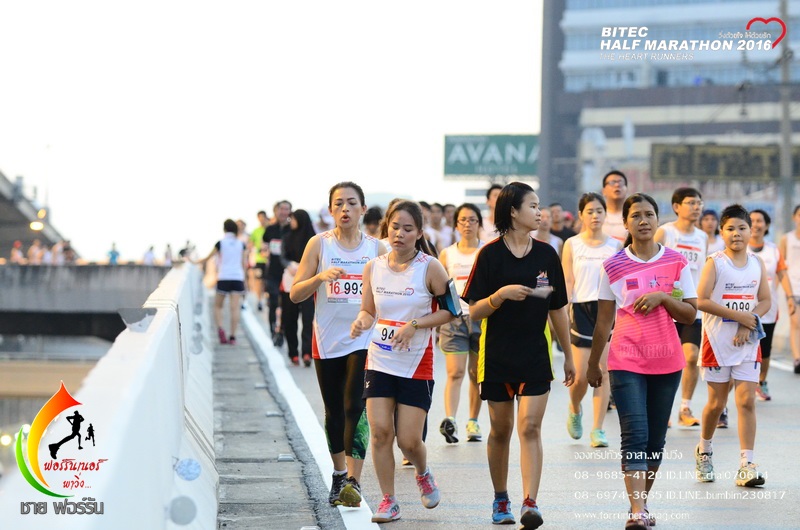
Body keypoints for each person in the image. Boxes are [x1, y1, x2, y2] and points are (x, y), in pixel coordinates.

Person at [463, 182, 575, 528]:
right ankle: (501, 498)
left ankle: (530, 502)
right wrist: (500, 296)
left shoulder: (547, 255)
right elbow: (474, 311)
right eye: (533, 206)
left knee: (530, 427)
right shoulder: (489, 255)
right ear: (513, 211)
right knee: (500, 430)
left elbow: (557, 308)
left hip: (535, 356)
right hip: (496, 356)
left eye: (539, 206)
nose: (540, 212)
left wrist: (569, 356)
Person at [586, 193, 698, 530]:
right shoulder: (613, 265)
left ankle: (641, 502)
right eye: (636, 215)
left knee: (654, 441)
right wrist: (593, 363)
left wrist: (663, 297)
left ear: (658, 220)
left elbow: (690, 314)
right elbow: (603, 321)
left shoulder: (677, 262)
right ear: (626, 223)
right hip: (626, 359)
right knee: (634, 434)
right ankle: (637, 510)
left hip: (667, 361)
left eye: (649, 214)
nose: (644, 221)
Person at [350, 200, 452, 523]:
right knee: (381, 433)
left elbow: (452, 311)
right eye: (395, 227)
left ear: (419, 233)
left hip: (416, 363)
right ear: (387, 229)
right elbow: (368, 310)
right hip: (379, 359)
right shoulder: (373, 267)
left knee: (409, 441)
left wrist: (415, 325)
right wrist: (361, 322)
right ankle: (388, 500)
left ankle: (423, 471)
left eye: (408, 229)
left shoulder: (430, 268)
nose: (399, 234)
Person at [290, 182, 386, 508]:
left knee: (354, 406)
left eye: (352, 203)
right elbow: (295, 293)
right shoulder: (319, 244)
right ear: (331, 210)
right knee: (334, 411)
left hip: (364, 338)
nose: (345, 209)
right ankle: (339, 474)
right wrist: (320, 278)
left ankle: (354, 482)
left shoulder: (376, 249)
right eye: (339, 203)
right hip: (327, 339)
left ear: (363, 209)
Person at [694, 204, 770, 488]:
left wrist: (748, 322)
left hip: (748, 341)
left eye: (742, 228)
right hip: (716, 342)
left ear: (751, 231)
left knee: (746, 401)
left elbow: (765, 300)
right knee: (717, 404)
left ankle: (746, 464)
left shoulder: (757, 263)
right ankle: (704, 451)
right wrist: (739, 317)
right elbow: (701, 300)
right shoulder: (715, 262)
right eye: (730, 229)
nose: (736, 233)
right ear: (721, 232)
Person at [562, 192, 622, 448]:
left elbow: (619, 283)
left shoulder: (615, 246)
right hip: (580, 309)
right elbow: (567, 280)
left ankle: (598, 429)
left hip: (606, 309)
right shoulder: (572, 244)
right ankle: (575, 407)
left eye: (599, 211)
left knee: (604, 372)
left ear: (605, 214)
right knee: (581, 376)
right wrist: (563, 309)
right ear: (581, 215)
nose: (595, 215)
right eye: (590, 211)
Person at [654, 188, 708, 428]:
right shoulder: (665, 232)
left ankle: (685, 407)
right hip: (665, 307)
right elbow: (650, 263)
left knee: (692, 356)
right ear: (676, 206)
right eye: (691, 203)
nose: (696, 207)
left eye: (699, 203)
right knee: (663, 359)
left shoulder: (702, 237)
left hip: (690, 307)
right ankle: (660, 408)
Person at [437, 203, 485, 444]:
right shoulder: (447, 254)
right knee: (455, 372)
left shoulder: (486, 251)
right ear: (456, 224)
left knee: (476, 374)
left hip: (481, 318)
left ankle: (473, 421)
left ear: (479, 223)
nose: (467, 224)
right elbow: (440, 288)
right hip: (454, 319)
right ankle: (451, 420)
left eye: (472, 219)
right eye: (463, 220)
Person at [749, 209, 795, 400]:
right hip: (743, 308)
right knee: (744, 349)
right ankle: (743, 385)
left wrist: (790, 297)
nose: (755, 225)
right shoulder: (740, 248)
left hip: (768, 309)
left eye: (759, 221)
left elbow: (782, 274)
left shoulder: (773, 250)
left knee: (765, 350)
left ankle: (762, 381)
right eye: (751, 221)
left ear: (767, 225)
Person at [195, 219, 248, 345]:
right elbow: (243, 264)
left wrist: (193, 261)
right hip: (237, 278)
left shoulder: (220, 243)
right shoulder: (241, 244)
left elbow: (207, 258)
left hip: (224, 277)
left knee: (218, 306)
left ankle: (220, 329)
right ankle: (233, 337)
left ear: (224, 229)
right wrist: (244, 280)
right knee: (234, 308)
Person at [280, 209, 317, 366]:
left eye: (293, 219)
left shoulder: (314, 240)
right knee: (290, 318)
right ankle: (293, 353)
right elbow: (282, 256)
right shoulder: (287, 237)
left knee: (308, 319)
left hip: (309, 283)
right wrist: (289, 265)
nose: (291, 222)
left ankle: (307, 352)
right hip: (290, 281)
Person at [263, 200, 292, 346]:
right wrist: (264, 252)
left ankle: (281, 332)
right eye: (281, 209)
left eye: (287, 209)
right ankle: (273, 330)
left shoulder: (292, 229)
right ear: (276, 211)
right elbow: (263, 247)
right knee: (273, 302)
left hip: (288, 273)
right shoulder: (270, 229)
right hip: (272, 272)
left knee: (286, 305)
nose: (283, 212)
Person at [778, 204, 800, 373]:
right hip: (793, 288)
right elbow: (780, 266)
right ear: (794, 217)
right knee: (795, 322)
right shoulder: (787, 239)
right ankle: (797, 359)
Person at [249, 211, 270, 311]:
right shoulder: (255, 231)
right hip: (259, 260)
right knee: (259, 280)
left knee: (268, 280)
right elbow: (250, 244)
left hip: (269, 260)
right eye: (260, 218)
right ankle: (259, 300)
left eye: (263, 217)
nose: (261, 220)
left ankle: (267, 297)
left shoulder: (270, 229)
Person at [601, 170, 629, 243]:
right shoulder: (597, 216)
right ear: (603, 191)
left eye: (621, 182)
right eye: (612, 182)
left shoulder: (632, 216)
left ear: (626, 189)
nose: (617, 185)